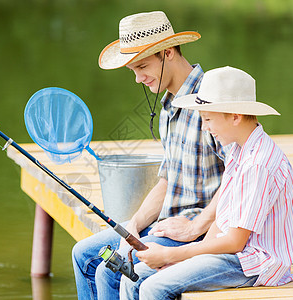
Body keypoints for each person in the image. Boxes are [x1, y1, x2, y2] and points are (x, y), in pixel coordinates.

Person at [72, 11, 226, 300]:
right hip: (166, 223)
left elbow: (238, 176)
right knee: (82, 255)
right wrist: (134, 224)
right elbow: (167, 180)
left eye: (142, 66)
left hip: (199, 231)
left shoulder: (210, 100)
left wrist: (196, 227)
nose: (138, 78)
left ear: (167, 53)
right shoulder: (168, 105)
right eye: (132, 70)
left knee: (110, 270)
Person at [119, 66, 293, 299]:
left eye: (207, 119)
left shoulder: (258, 163)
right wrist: (188, 258)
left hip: (253, 262)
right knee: (133, 276)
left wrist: (170, 255)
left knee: (154, 287)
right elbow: (222, 220)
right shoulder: (237, 149)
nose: (205, 128)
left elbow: (235, 242)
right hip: (232, 254)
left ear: (235, 116)